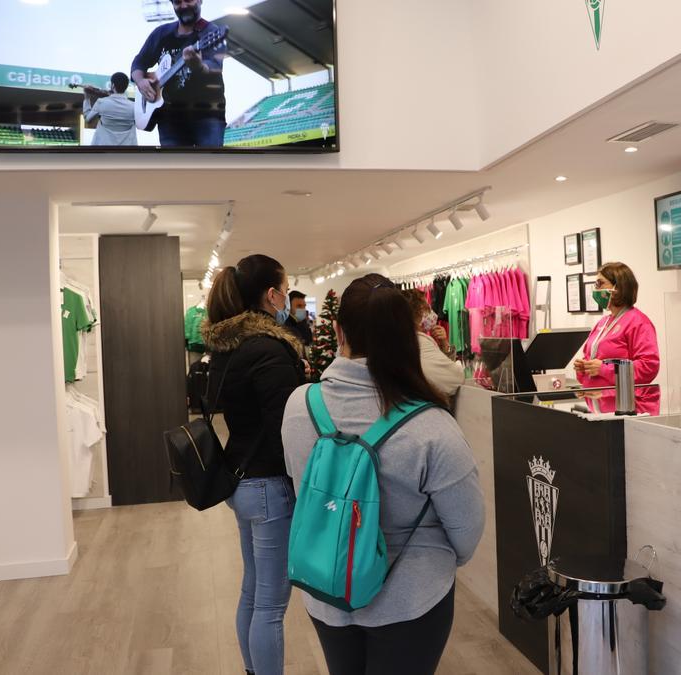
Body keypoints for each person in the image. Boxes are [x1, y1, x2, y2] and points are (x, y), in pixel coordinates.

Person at [282, 274, 484, 675]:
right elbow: (467, 531)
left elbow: (301, 486)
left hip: (325, 588)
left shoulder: (299, 406)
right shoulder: (432, 426)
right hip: (411, 598)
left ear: (338, 330)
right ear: (410, 337)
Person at [202, 254, 305, 675]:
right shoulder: (268, 349)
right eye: (285, 288)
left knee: (253, 590)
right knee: (270, 603)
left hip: (241, 479)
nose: (287, 297)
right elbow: (288, 425)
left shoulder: (230, 346)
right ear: (271, 294)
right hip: (267, 486)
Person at [131, 0, 228, 147]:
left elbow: (214, 67)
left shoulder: (211, 33)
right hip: (169, 121)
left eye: (188, 0)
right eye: (177, 2)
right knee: (175, 168)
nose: (183, 6)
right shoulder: (161, 33)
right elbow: (139, 62)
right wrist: (140, 82)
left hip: (207, 116)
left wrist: (198, 65)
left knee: (209, 166)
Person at [572, 262, 660, 390]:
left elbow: (648, 367)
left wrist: (603, 369)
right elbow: (592, 360)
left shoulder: (639, 322)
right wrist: (584, 368)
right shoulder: (602, 323)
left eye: (600, 284)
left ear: (618, 287)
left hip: (623, 403)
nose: (595, 290)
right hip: (598, 400)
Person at [402, 289, 464, 396]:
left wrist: (444, 343)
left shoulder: (405, 339)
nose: (431, 312)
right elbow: (453, 378)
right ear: (421, 311)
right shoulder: (420, 342)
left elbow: (438, 366)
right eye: (428, 307)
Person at [81, 73, 137, 146]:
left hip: (103, 149)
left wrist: (87, 98)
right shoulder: (134, 107)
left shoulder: (101, 102)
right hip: (127, 151)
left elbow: (87, 119)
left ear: (112, 85)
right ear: (126, 87)